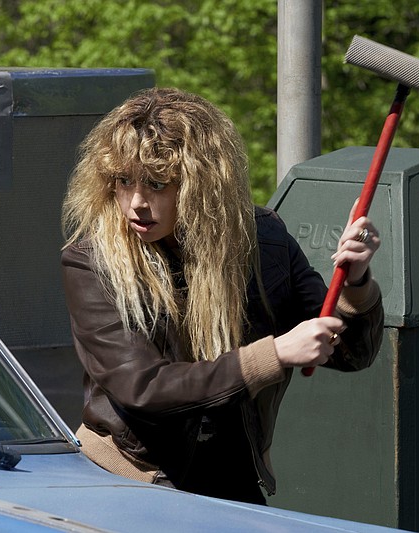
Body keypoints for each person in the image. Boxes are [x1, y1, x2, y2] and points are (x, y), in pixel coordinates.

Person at [60, 87, 384, 504]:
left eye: (158, 184)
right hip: (133, 477)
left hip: (234, 472)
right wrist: (275, 354)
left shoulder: (263, 239)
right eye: (123, 181)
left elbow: (348, 353)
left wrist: (355, 281)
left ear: (203, 186)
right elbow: (143, 387)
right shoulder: (91, 260)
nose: (136, 203)